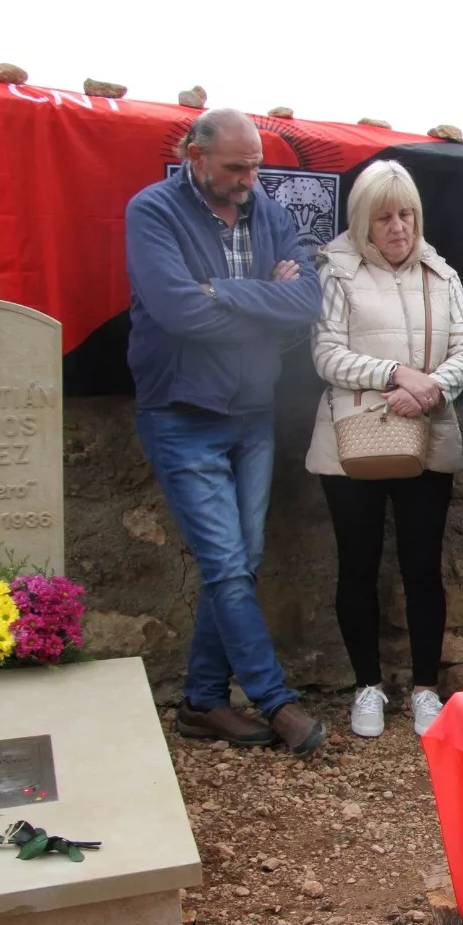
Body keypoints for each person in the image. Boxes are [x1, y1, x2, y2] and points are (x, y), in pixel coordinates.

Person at [126, 108, 326, 756]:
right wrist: (261, 301)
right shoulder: (152, 212)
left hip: (252, 414)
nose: (248, 179)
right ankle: (275, 701)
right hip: (182, 413)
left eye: (256, 166)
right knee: (228, 568)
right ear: (195, 154)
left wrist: (225, 293)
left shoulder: (268, 212)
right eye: (236, 167)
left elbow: (308, 299)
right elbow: (178, 310)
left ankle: (203, 701)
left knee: (240, 563)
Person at [305, 161, 463, 739]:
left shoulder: (443, 275)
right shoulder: (337, 273)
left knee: (422, 566)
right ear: (363, 222)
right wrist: (396, 374)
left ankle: (426, 687)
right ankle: (367, 687)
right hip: (352, 441)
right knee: (357, 566)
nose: (399, 227)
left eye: (406, 214)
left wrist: (430, 387)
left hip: (425, 435)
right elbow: (325, 354)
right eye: (384, 217)